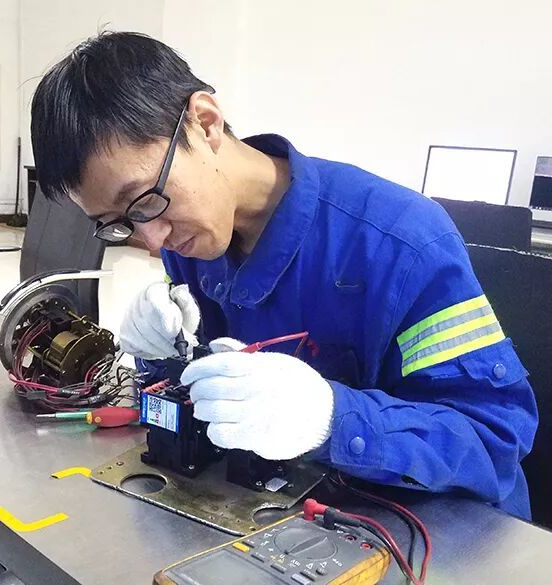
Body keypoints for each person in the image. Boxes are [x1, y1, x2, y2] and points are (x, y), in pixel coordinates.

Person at [30, 31, 538, 519]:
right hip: (282, 508)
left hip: (439, 534)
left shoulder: (402, 242)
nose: (154, 240)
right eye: (120, 224)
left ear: (204, 124)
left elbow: (493, 441)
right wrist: (161, 359)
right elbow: (204, 398)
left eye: (145, 201)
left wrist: (331, 418)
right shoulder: (192, 238)